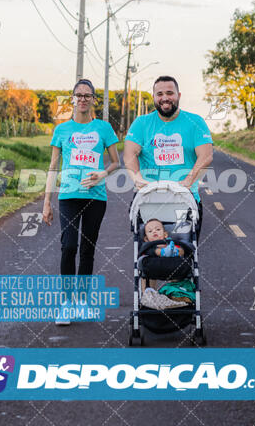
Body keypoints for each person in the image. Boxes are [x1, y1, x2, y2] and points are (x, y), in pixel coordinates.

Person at [43, 79, 119, 324]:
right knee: (68, 246)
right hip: (68, 196)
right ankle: (66, 304)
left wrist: (103, 174)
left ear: (93, 99)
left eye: (88, 95)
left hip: (96, 197)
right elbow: (53, 167)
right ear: (72, 98)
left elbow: (116, 162)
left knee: (87, 249)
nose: (83, 99)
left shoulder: (104, 128)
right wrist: (46, 202)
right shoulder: (62, 130)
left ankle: (82, 300)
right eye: (79, 95)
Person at [124, 75, 213, 240]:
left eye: (170, 93)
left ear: (179, 96)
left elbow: (206, 156)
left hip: (184, 199)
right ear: (154, 98)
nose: (165, 98)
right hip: (149, 199)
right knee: (150, 250)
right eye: (159, 94)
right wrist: (137, 178)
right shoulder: (141, 123)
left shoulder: (195, 122)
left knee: (183, 248)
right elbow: (129, 154)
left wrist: (188, 180)